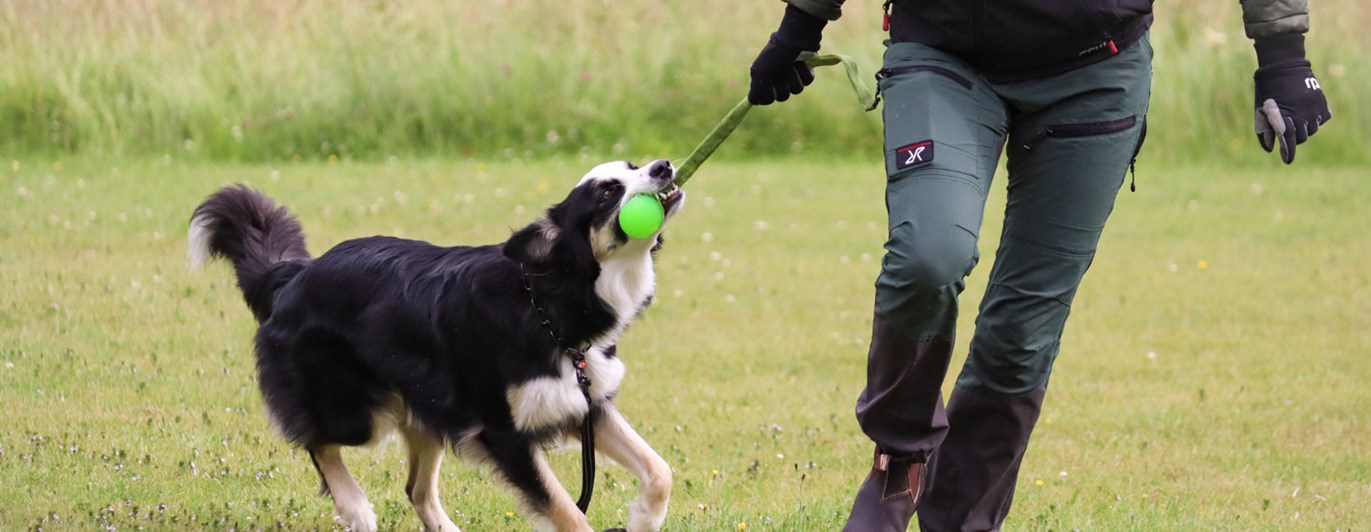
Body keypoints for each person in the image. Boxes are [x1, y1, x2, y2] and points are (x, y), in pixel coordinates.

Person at [746, 1, 1331, 530]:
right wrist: (803, 22)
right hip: (941, 49)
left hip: (1096, 68)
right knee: (928, 256)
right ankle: (899, 461)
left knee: (1022, 334)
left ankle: (961, 516)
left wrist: (1282, 53)